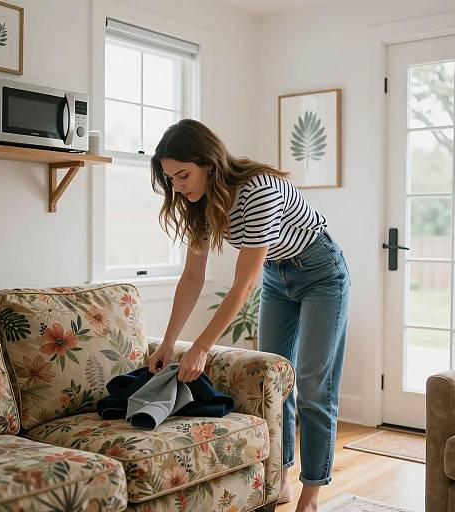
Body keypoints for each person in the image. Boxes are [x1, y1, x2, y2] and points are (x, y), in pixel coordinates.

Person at [148, 119, 351, 512]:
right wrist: (171, 342)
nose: (179, 186)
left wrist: (202, 347)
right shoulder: (200, 204)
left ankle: (311, 493)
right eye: (171, 179)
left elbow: (243, 284)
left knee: (313, 382)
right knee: (274, 379)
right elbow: (192, 276)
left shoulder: (257, 191)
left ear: (209, 162)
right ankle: (283, 476)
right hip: (278, 277)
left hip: (321, 273)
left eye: (183, 175)